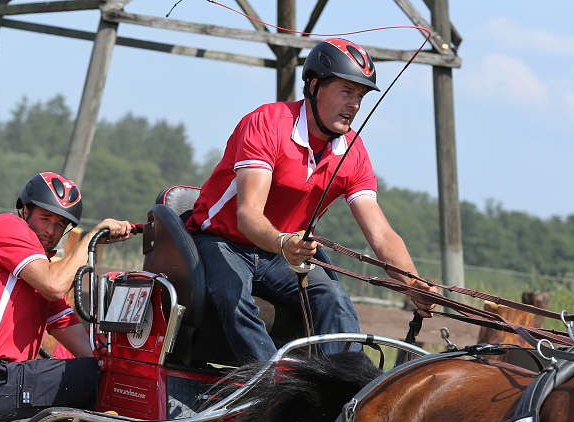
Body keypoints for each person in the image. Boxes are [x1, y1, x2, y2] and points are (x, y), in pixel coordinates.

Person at [186, 38, 437, 363]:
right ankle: (271, 390)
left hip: (281, 253)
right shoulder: (267, 124)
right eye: (347, 92)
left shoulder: (353, 152)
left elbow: (381, 234)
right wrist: (283, 241)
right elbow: (248, 215)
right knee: (232, 294)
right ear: (315, 86)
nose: (355, 105)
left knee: (333, 296)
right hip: (223, 241)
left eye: (360, 96)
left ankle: (348, 395)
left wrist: (412, 284)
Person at [0, 172, 132, 422]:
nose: (50, 231)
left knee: (108, 375)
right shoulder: (6, 227)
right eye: (45, 218)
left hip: (2, 385)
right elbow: (54, 285)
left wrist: (115, 365)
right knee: (100, 379)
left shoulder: (36, 272)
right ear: (25, 210)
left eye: (60, 225)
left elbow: (75, 336)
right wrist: (91, 239)